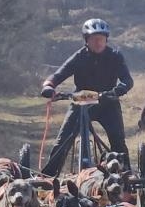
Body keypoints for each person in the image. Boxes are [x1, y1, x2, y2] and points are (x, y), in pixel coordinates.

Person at [39, 18, 133, 176]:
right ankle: (48, 177)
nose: (98, 43)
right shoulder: (79, 57)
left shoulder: (115, 56)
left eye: (101, 39)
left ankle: (126, 176)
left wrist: (119, 90)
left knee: (118, 141)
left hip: (108, 102)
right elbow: (58, 74)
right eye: (94, 39)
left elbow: (127, 80)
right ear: (86, 41)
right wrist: (48, 86)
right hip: (81, 101)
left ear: (106, 40)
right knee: (63, 141)